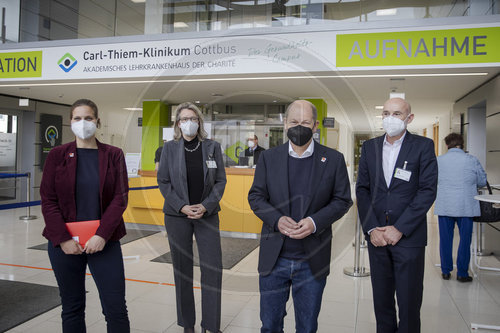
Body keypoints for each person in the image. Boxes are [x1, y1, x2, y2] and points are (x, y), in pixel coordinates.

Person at [248, 100, 352, 333]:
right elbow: (256, 197)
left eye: (305, 122)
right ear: (285, 124)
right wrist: (276, 219)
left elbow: (343, 200)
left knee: (307, 326)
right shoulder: (268, 158)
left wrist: (315, 222)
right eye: (294, 122)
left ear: (315, 126)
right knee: (270, 324)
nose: (299, 126)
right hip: (274, 259)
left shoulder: (333, 160)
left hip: (312, 259)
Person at [40, 99, 130, 333]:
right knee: (72, 306)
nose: (83, 123)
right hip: (65, 244)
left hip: (105, 241)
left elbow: (120, 199)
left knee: (115, 307)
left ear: (98, 121)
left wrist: (101, 235)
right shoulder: (57, 155)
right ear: (70, 122)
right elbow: (48, 200)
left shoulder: (114, 155)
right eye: (77, 118)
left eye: (88, 118)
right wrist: (63, 239)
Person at [356, 97, 437, 333]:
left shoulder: (423, 146)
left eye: (397, 114)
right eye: (386, 113)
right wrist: (371, 228)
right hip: (377, 237)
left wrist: (399, 228)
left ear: (409, 118)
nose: (390, 118)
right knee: (381, 303)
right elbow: (362, 189)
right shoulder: (370, 148)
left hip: (408, 238)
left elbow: (427, 190)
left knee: (409, 303)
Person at [157, 102, 226, 333]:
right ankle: (188, 324)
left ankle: (211, 325)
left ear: (199, 122)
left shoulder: (212, 147)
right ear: (178, 124)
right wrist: (182, 206)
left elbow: (220, 181)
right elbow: (164, 181)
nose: (189, 122)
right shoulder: (169, 149)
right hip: (177, 216)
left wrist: (206, 206)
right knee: (182, 268)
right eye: (185, 119)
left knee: (212, 268)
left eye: (193, 118)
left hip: (207, 215)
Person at [434, 133, 487, 282]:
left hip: (445, 205)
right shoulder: (471, 160)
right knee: (465, 240)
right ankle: (462, 273)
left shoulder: (439, 161)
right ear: (462, 144)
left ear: (447, 145)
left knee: (445, 239)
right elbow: (482, 181)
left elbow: (432, 180)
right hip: (466, 206)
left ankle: (445, 271)